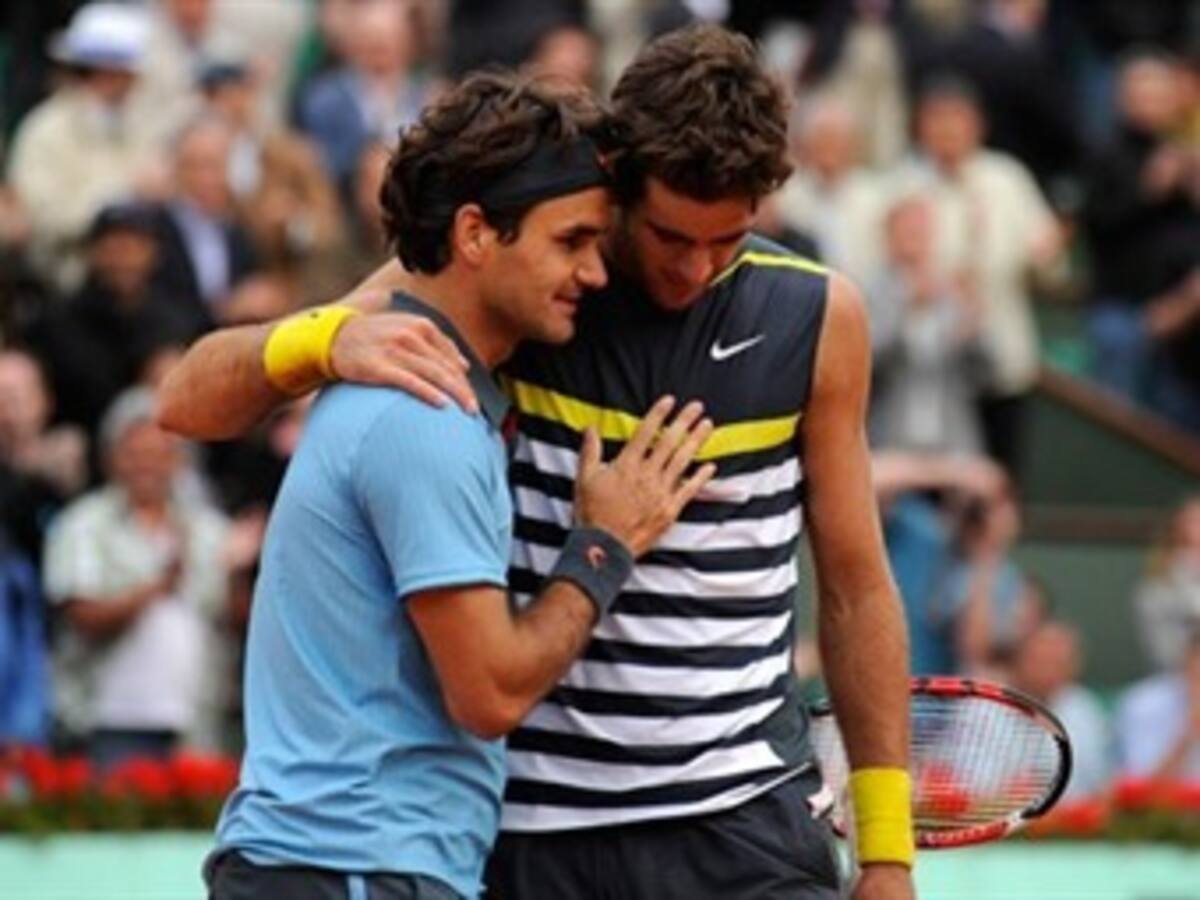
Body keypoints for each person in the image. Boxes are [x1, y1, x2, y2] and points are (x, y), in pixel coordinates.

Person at [162, 25, 914, 900]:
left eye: (730, 240)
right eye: (672, 235)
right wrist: (330, 336)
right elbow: (187, 402)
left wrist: (889, 852)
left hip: (741, 824)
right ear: (616, 183)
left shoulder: (820, 317)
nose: (696, 269)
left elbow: (858, 587)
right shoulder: (522, 284)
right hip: (529, 837)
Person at [205, 71, 716, 900]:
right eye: (571, 242)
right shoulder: (425, 418)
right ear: (476, 234)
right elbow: (490, 690)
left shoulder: (416, 382)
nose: (595, 273)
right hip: (359, 872)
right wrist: (604, 545)